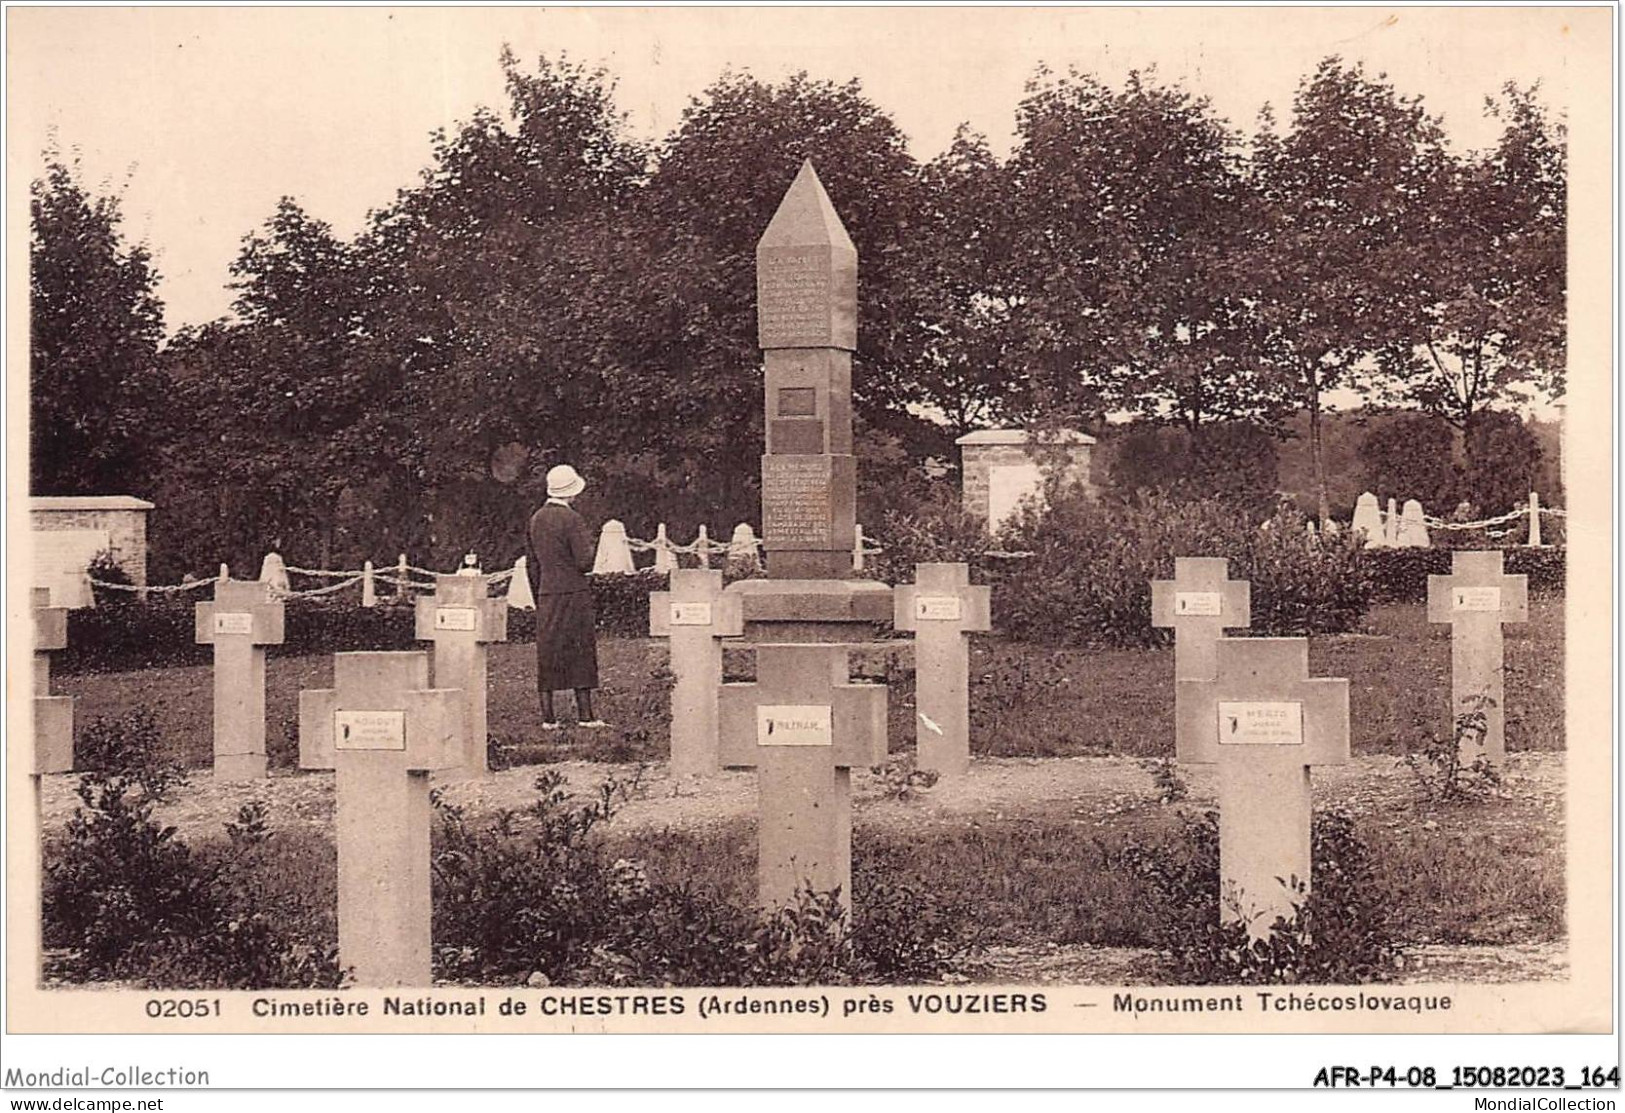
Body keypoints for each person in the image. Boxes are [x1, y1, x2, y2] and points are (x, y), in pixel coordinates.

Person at [527, 464, 604, 729]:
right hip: (573, 590)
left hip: (547, 591)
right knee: (580, 650)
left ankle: (548, 717)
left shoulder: (536, 518)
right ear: (571, 491)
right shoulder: (572, 519)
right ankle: (586, 715)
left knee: (548, 651)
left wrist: (540, 591)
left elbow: (532, 564)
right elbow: (584, 562)